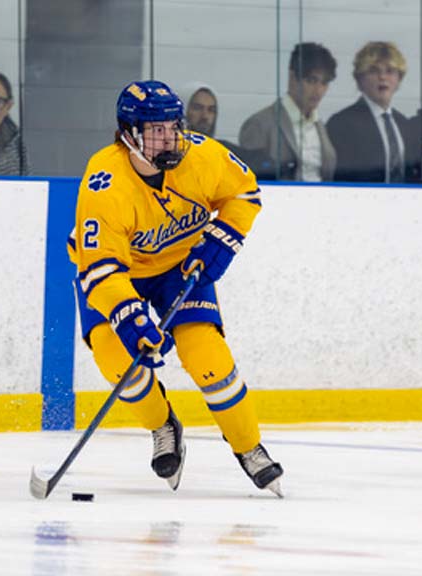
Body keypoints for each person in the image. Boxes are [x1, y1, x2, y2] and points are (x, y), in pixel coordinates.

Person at [68, 80, 284, 496]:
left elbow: (244, 192)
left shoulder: (201, 155)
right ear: (128, 134)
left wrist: (223, 236)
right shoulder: (103, 182)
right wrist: (129, 316)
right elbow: (101, 269)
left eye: (173, 126)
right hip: (114, 274)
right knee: (118, 361)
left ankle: (249, 446)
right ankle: (163, 425)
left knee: (206, 354)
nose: (169, 138)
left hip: (179, 266)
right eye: (156, 130)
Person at [239, 42, 338, 181]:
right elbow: (249, 181)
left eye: (324, 83)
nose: (318, 90)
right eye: (311, 80)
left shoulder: (320, 126)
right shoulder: (259, 124)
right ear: (292, 78)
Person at [326, 41, 415, 183]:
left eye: (390, 71)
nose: (382, 77)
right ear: (359, 79)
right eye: (374, 71)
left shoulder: (404, 124)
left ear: (399, 80)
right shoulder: (341, 123)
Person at [184, 84, 282, 180]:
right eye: (197, 108)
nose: (205, 116)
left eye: (211, 110)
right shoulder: (175, 153)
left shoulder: (223, 151)